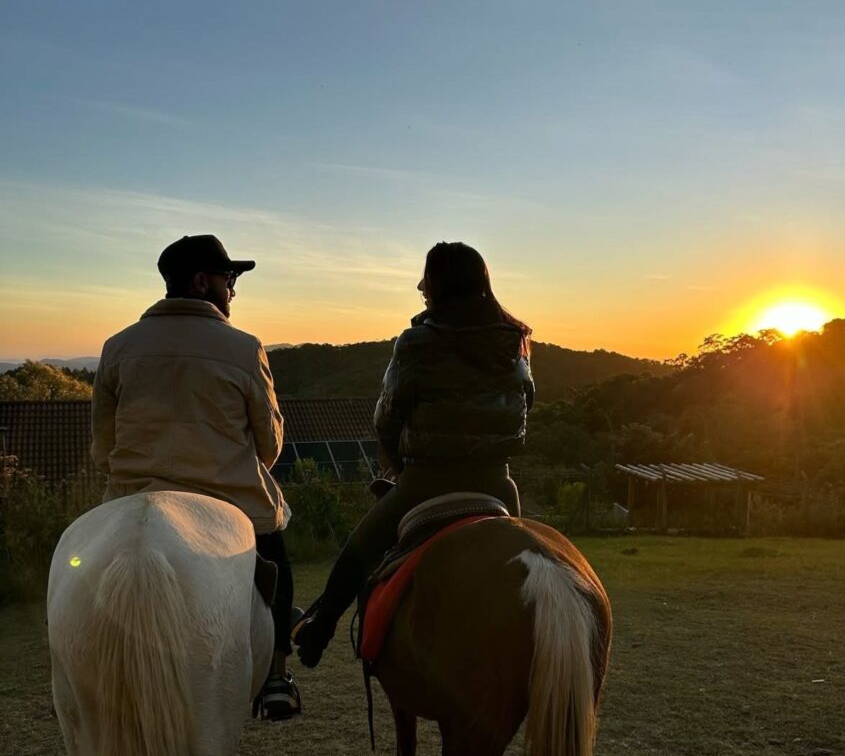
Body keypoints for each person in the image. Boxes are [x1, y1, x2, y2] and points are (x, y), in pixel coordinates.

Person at [295, 240, 534, 668]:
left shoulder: (415, 343)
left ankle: (320, 627)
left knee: (359, 548)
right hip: (499, 481)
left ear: (439, 284)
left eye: (426, 278)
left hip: (426, 481)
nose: (420, 286)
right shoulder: (515, 343)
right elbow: (525, 406)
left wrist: (400, 467)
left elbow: (387, 417)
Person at [91, 233, 301, 720]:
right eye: (229, 279)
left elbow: (102, 446)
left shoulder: (116, 347)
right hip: (227, 501)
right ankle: (274, 675)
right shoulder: (245, 348)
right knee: (276, 547)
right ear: (202, 281)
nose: (232, 291)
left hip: (130, 496)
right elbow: (269, 446)